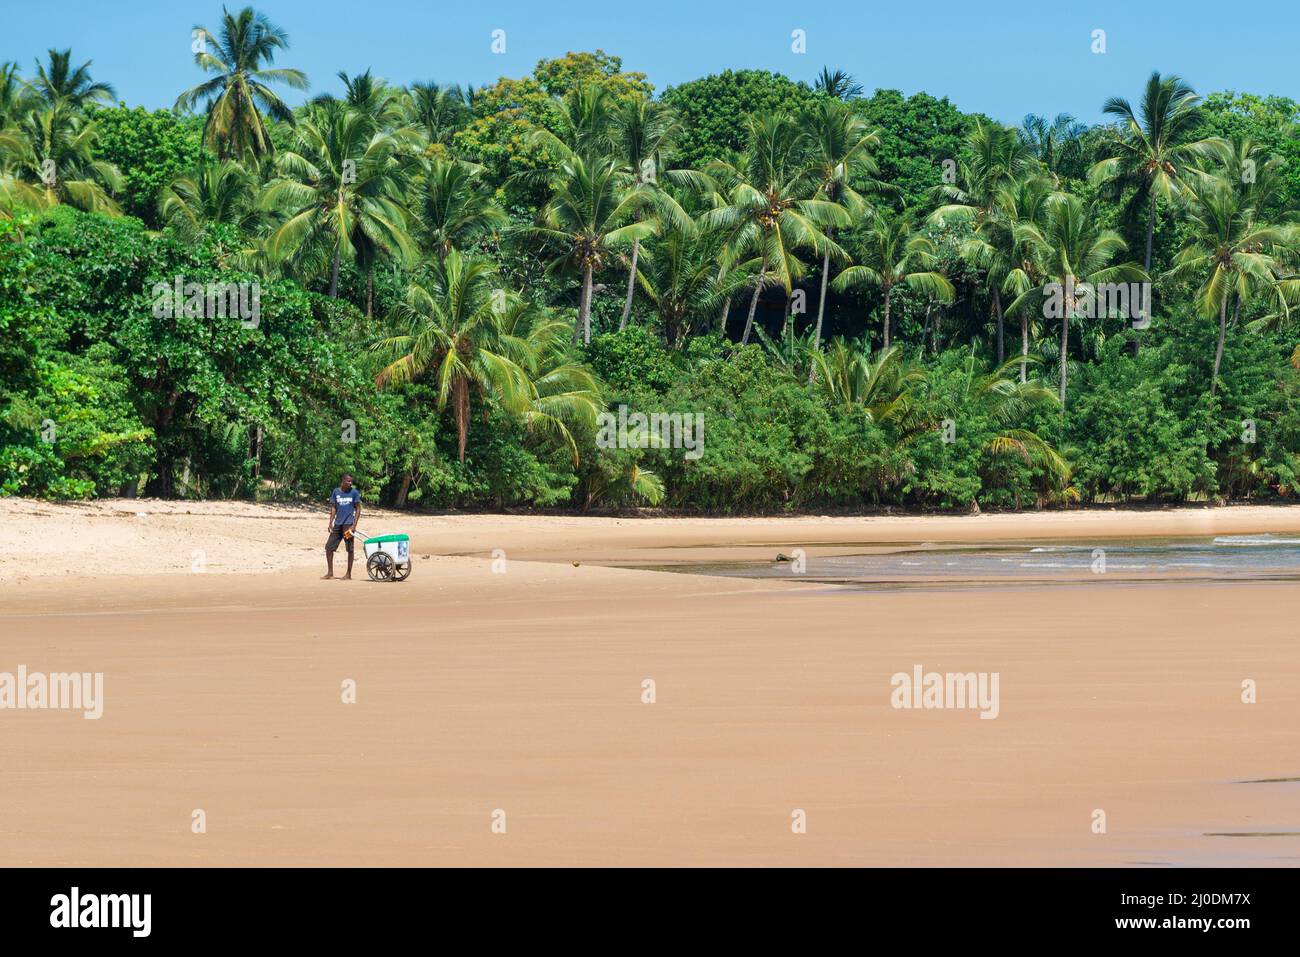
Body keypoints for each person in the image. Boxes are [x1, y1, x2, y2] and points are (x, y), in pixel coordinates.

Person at [323, 474, 362, 580]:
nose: (350, 483)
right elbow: (334, 507)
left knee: (350, 549)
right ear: (343, 481)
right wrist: (330, 522)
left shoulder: (354, 492)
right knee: (329, 548)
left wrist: (354, 525)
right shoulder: (336, 492)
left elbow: (358, 508)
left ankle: (348, 574)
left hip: (348, 525)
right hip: (338, 524)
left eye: (351, 481)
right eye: (348, 481)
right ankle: (330, 573)